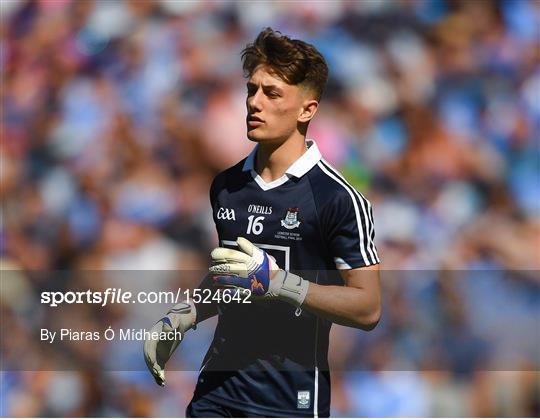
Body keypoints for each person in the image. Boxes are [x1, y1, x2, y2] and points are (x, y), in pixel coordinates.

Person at [144, 27, 381, 418]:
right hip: (216, 395)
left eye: (272, 94)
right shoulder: (227, 187)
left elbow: (368, 308)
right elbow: (232, 273)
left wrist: (280, 284)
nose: (255, 103)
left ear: (308, 109)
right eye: (251, 90)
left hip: (288, 402)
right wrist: (184, 316)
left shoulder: (337, 199)